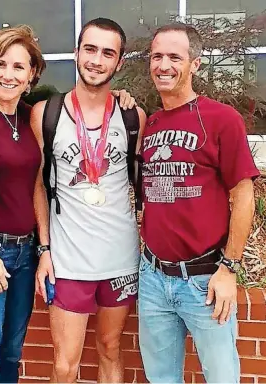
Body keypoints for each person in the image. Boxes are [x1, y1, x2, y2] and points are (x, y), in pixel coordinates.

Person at [0, 24, 135, 383]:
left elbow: (36, 183)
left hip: (24, 255)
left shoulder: (30, 115)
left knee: (11, 356)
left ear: (32, 75)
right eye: (0, 64)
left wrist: (39, 248)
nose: (8, 75)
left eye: (18, 67)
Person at [138, 23, 260, 383]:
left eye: (175, 57)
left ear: (195, 64)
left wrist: (229, 268)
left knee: (222, 377)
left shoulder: (222, 119)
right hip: (153, 277)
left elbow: (243, 196)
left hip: (205, 279)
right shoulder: (152, 124)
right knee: (160, 379)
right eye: (157, 56)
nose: (164, 65)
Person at [31, 18, 146, 383]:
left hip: (119, 258)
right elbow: (37, 185)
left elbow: (141, 183)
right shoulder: (45, 114)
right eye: (90, 49)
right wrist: (44, 249)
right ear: (76, 52)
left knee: (111, 350)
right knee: (66, 362)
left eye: (107, 52)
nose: (97, 60)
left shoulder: (133, 117)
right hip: (68, 260)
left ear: (119, 63)